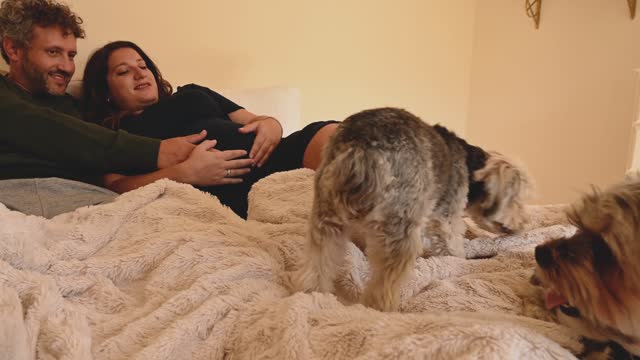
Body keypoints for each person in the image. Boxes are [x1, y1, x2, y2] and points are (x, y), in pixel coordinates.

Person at [0, 0, 252, 217]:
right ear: (14, 49)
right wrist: (160, 152)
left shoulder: (77, 109)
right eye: (54, 52)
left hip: (94, 201)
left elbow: (109, 175)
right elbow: (51, 130)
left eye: (71, 55)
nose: (66, 67)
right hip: (18, 195)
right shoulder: (9, 98)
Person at [81, 40, 339, 218]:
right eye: (124, 71)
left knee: (344, 140)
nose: (139, 74)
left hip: (280, 157)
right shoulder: (113, 135)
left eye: (143, 65)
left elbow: (255, 119)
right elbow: (115, 186)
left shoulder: (192, 92)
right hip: (234, 192)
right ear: (106, 92)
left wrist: (273, 124)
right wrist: (183, 173)